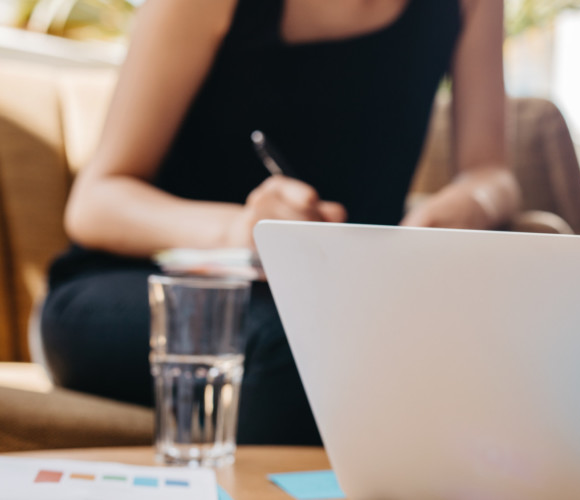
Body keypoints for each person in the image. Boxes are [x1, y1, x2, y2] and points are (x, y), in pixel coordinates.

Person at [40, 0, 519, 445]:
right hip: (147, 288)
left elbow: (491, 171)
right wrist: (244, 232)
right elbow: (95, 202)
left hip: (338, 304)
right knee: (303, 356)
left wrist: (466, 205)